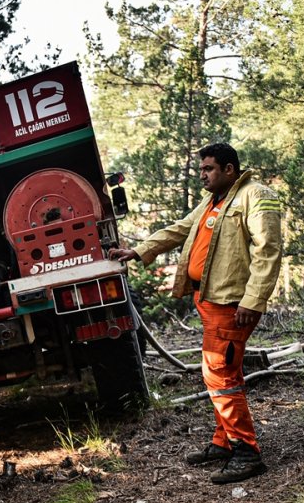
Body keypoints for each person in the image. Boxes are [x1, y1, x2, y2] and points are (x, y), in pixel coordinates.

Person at [109, 143, 282, 484]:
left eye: (208, 169)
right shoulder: (212, 200)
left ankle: (247, 453)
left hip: (233, 303)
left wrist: (253, 299)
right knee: (218, 372)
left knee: (221, 374)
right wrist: (139, 250)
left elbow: (268, 250)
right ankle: (224, 442)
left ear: (229, 169)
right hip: (209, 300)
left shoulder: (256, 195)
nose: (202, 175)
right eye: (201, 169)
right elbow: (179, 229)